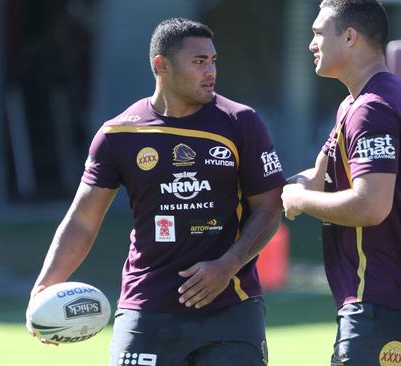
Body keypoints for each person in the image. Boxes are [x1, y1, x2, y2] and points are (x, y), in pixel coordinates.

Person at [27, 18, 285, 366]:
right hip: (147, 307)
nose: (210, 71)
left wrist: (229, 264)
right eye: (198, 62)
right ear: (161, 65)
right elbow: (83, 221)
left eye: (213, 60)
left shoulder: (240, 122)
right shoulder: (117, 134)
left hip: (231, 308)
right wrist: (44, 287)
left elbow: (270, 206)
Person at [280, 1, 401, 365]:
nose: (311, 44)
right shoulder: (357, 102)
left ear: (350, 37)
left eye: (319, 33)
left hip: (383, 297)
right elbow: (317, 179)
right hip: (383, 300)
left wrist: (301, 201)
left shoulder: (373, 108)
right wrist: (265, 194)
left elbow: (371, 205)